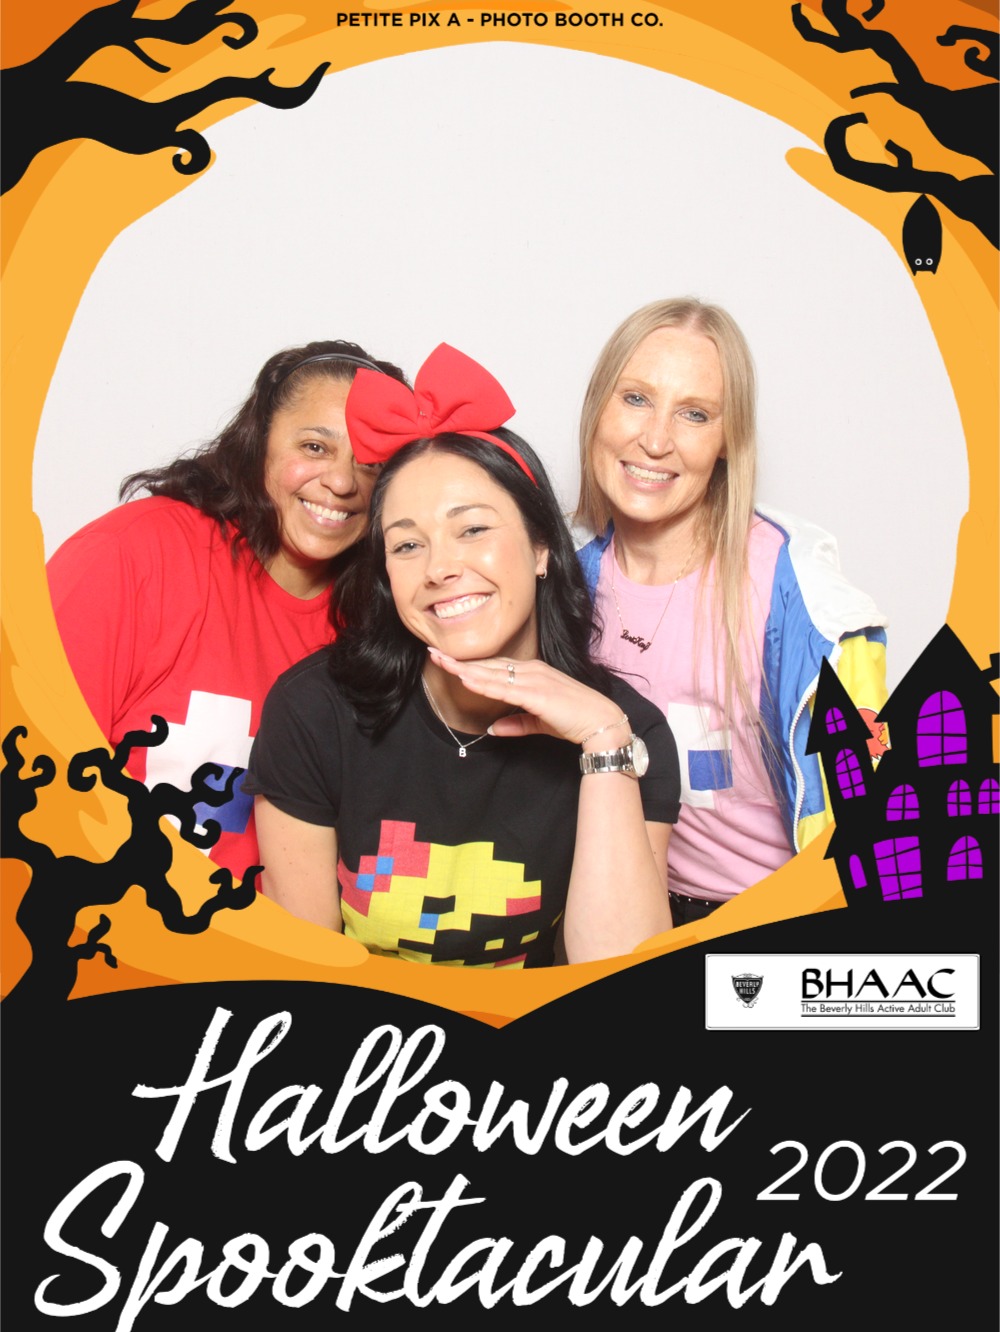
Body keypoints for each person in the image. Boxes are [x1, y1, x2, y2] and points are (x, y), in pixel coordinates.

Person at [246, 344, 681, 967]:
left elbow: (613, 977)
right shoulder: (312, 713)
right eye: (407, 545)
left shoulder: (629, 730)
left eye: (472, 529)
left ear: (540, 547)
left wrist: (604, 743)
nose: (440, 568)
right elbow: (303, 973)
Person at [575, 299, 888, 923]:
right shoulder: (563, 574)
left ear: (727, 440)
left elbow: (870, 812)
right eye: (635, 398)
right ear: (597, 409)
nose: (656, 440)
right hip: (620, 909)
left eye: (694, 414)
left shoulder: (797, 597)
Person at [46, 339, 408, 877]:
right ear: (258, 441)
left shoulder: (388, 621)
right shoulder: (130, 555)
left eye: (371, 463)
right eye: (314, 447)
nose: (340, 482)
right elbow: (33, 775)